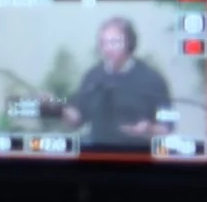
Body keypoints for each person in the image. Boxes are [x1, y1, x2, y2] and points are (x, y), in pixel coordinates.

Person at [50, 16, 172, 153]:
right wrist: (57, 108)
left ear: (130, 43)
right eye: (103, 43)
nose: (107, 48)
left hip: (139, 154)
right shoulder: (93, 76)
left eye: (114, 42)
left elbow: (167, 127)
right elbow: (77, 119)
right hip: (97, 154)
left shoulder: (152, 78)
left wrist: (148, 129)